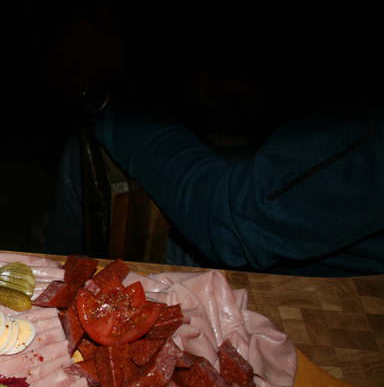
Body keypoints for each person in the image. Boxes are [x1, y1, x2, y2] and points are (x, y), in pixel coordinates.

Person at [47, 106, 384, 277]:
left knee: (85, 149)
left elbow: (229, 222)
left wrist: (113, 102)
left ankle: (52, 281)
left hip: (312, 273)